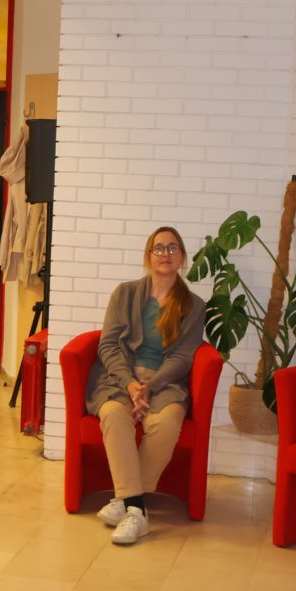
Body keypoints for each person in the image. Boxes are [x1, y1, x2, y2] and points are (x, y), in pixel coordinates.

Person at [87, 226, 205, 546]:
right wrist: (131, 385)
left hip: (165, 381)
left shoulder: (194, 306)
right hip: (119, 378)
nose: (165, 254)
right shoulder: (124, 294)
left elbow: (182, 357)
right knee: (114, 414)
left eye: (173, 248)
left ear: (182, 257)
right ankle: (137, 509)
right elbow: (108, 345)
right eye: (159, 248)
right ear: (148, 256)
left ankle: (125, 501)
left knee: (166, 423)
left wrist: (149, 387)